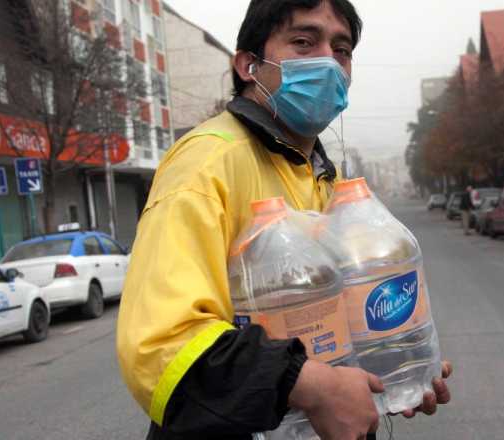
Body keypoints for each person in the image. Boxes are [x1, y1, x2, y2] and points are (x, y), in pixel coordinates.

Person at [116, 1, 452, 439]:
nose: (328, 63)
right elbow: (162, 346)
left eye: (342, 50)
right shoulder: (206, 164)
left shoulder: (320, 174)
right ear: (248, 65)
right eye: (304, 42)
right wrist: (311, 386)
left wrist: (392, 363)